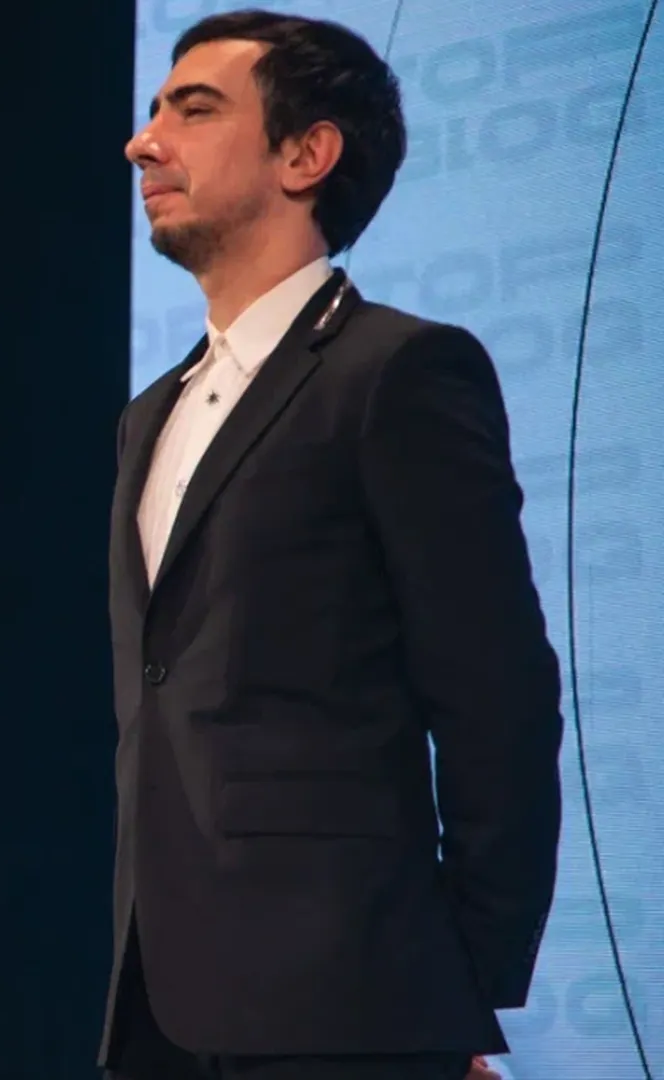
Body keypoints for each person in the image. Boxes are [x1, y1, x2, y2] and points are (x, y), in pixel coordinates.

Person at [104, 11, 563, 1080]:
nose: (143, 142)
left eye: (194, 110)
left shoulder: (398, 373)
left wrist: (450, 990)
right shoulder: (148, 415)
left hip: (348, 1002)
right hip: (160, 1008)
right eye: (154, 109)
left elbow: (497, 695)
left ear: (307, 154)